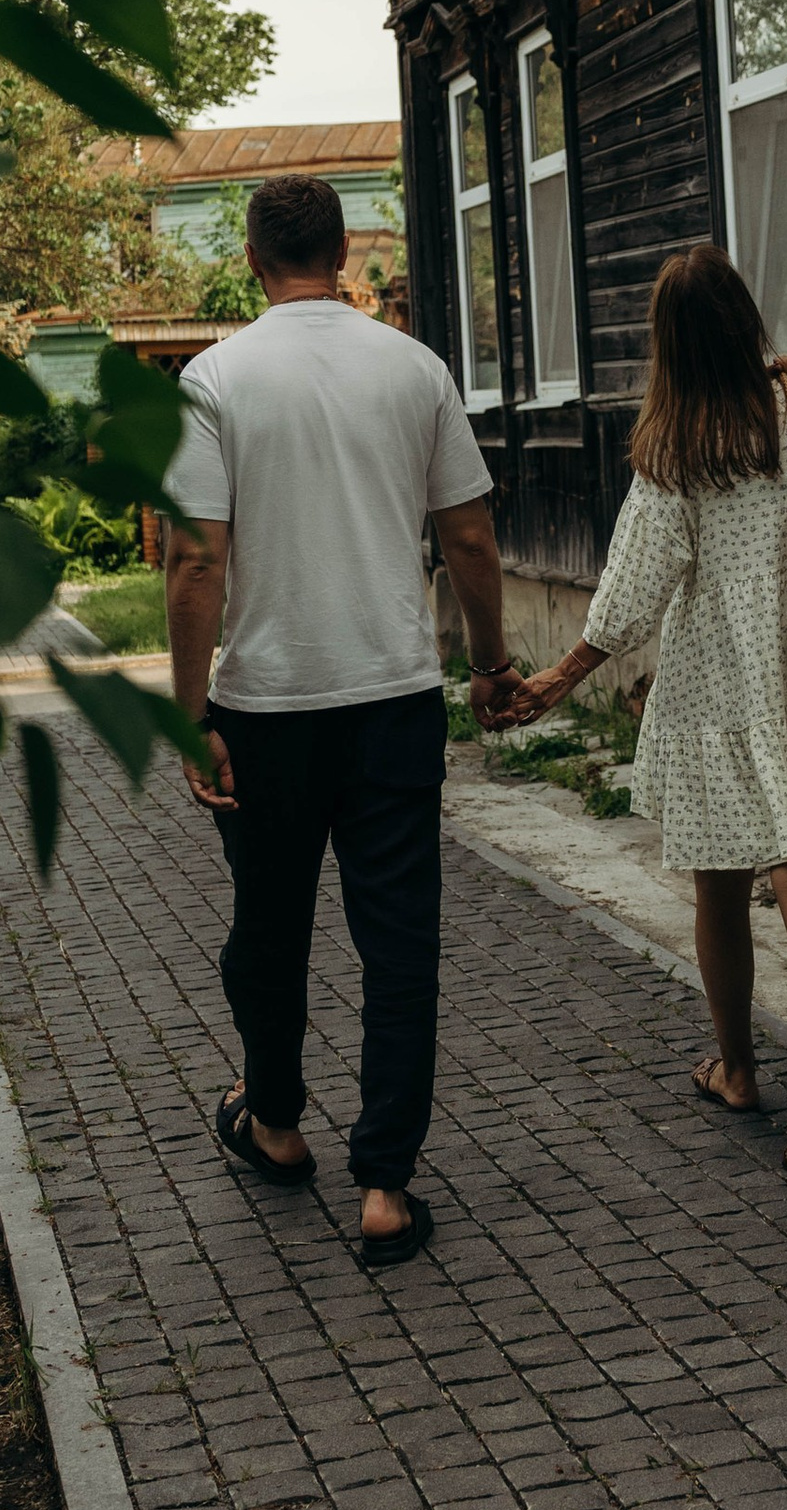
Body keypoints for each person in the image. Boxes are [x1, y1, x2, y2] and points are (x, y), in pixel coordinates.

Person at [162, 170, 519, 1270]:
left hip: (265, 707)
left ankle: (273, 1122)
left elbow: (192, 560)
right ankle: (384, 1185)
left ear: (254, 260)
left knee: (268, 929)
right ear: (348, 255)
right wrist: (492, 662)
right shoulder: (413, 368)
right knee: (398, 941)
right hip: (393, 704)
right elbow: (467, 538)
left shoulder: (212, 380)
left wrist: (188, 715)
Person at [497, 242, 787, 1183]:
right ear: (747, 322)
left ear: (669, 344)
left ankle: (741, 1069)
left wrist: (558, 677)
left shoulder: (675, 449)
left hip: (718, 686)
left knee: (719, 885)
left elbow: (634, 591)